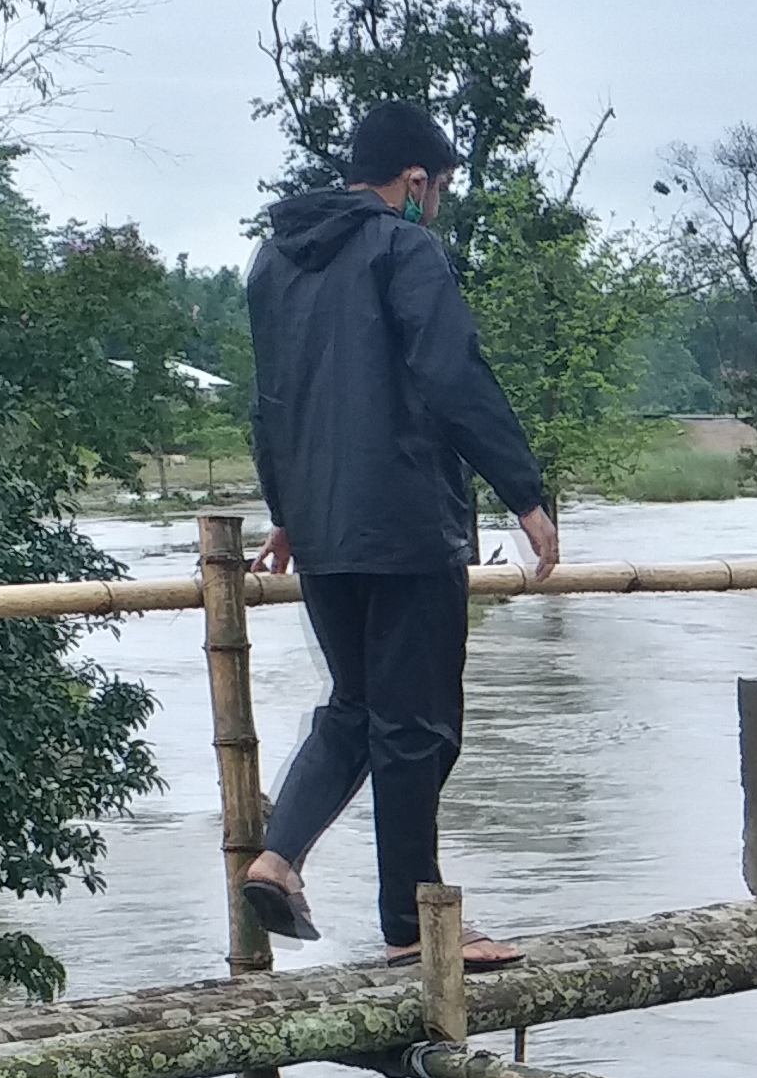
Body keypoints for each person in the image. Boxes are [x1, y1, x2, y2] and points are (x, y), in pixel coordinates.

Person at [240, 96, 560, 966]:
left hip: (322, 525)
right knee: (418, 727)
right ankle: (413, 929)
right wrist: (525, 495)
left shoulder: (275, 260)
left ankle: (279, 855)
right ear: (415, 180)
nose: (440, 202)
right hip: (406, 523)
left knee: (358, 705)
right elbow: (453, 373)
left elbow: (269, 402)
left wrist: (284, 510)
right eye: (441, 187)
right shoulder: (403, 247)